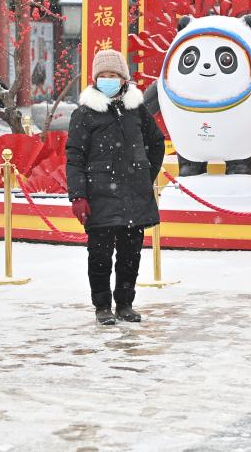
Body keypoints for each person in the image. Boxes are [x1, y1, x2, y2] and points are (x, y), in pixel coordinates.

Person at [66, 49, 165, 326]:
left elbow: (156, 143)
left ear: (124, 79)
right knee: (99, 255)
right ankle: (102, 306)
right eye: (103, 76)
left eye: (114, 75)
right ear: (95, 79)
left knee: (130, 254)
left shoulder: (137, 110)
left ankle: (125, 304)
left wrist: (145, 174)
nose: (108, 80)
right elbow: (74, 157)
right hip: (99, 197)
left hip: (134, 195)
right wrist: (78, 196)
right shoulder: (84, 114)